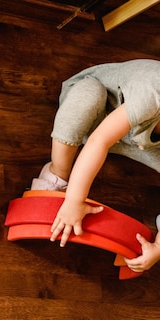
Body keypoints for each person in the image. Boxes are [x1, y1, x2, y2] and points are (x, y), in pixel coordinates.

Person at [30, 59, 160, 273]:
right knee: (88, 94)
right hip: (100, 112)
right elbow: (99, 140)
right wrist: (74, 201)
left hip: (135, 140)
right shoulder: (154, 89)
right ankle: (57, 172)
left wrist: (157, 248)